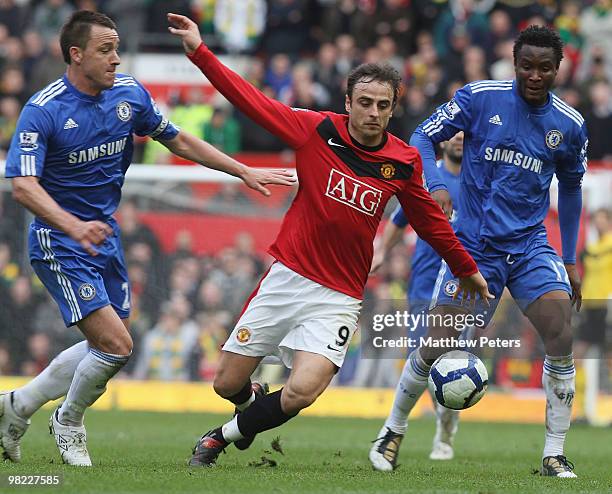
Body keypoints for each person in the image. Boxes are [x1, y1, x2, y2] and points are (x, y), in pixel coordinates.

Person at [167, 13, 492, 468]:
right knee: (226, 384)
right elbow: (252, 101)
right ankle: (249, 401)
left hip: (339, 295)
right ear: (348, 102)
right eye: (365, 102)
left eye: (383, 105)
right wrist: (200, 52)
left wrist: (467, 270)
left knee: (302, 391)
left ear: (393, 107)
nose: (373, 113)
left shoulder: (403, 161)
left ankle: (220, 438)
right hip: (289, 276)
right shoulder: (316, 129)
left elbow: (431, 223)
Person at [0, 10, 294, 467]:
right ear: (75, 55)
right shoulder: (44, 109)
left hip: (103, 236)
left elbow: (177, 140)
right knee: (117, 345)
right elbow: (22, 185)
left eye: (117, 48)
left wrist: (241, 169)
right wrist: (73, 225)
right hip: (60, 240)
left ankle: (16, 407)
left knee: (107, 344)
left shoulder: (129, 94)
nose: (116, 58)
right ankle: (69, 419)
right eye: (105, 50)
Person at [369, 25, 587, 478]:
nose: (535, 75)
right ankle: (391, 432)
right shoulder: (479, 97)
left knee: (561, 332)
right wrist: (435, 185)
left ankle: (553, 453)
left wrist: (568, 258)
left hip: (530, 247)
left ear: (558, 69)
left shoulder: (569, 125)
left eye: (545, 68)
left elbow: (570, 189)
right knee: (435, 346)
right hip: (474, 248)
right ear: (514, 63)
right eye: (527, 65)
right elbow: (422, 138)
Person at [370, 132, 464, 461]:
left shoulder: (480, 180)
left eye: (467, 134)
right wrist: (381, 251)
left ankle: (445, 432)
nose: (460, 140)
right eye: (454, 134)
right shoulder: (427, 178)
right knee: (422, 360)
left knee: (452, 366)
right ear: (442, 142)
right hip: (424, 285)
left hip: (460, 285)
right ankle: (394, 433)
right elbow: (398, 220)